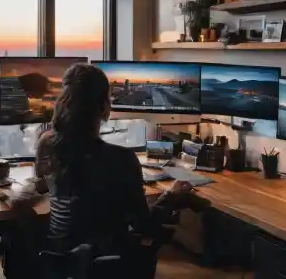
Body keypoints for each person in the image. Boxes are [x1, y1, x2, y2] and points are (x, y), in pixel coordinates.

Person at [34, 63, 193, 277]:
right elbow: (143, 225)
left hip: (60, 259)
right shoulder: (122, 159)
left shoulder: (46, 143)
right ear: (103, 106)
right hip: (104, 264)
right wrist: (170, 195)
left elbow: (42, 184)